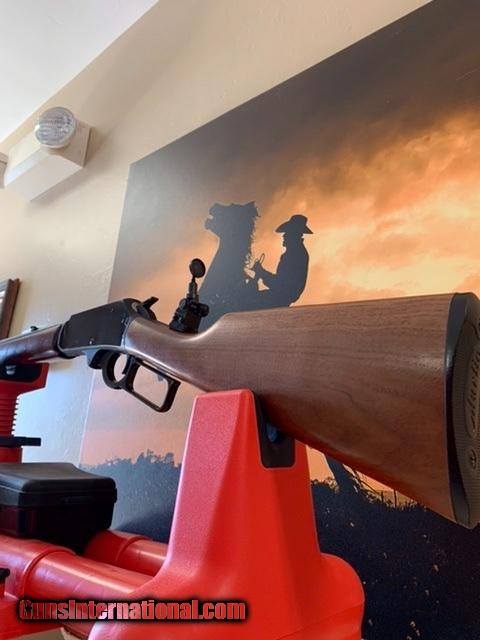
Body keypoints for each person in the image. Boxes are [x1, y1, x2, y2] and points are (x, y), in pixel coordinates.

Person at [251, 214, 312, 306]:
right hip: (281, 297)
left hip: (278, 299)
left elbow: (280, 284)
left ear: (294, 235)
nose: (284, 236)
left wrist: (262, 272)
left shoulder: (294, 255)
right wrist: (262, 273)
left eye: (287, 233)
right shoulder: (297, 253)